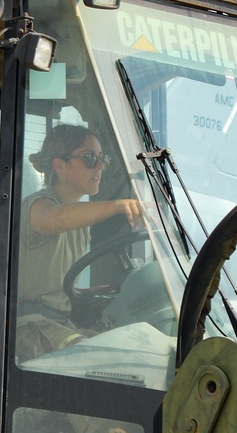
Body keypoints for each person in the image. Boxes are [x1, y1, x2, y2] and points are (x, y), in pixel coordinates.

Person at [16, 124, 142, 357]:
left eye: (102, 158)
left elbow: (51, 284)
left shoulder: (80, 224)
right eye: (89, 158)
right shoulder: (38, 206)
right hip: (25, 324)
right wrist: (117, 206)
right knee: (93, 356)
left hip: (58, 323)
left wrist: (87, 292)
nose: (101, 166)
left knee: (132, 349)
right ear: (59, 165)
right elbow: (54, 219)